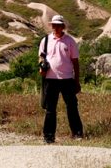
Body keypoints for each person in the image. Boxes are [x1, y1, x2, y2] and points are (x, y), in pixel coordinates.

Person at [39, 15, 83, 144]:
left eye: (58, 25)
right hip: (50, 79)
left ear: (63, 26)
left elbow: (75, 62)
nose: (56, 27)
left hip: (67, 78)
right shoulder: (45, 40)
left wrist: (77, 80)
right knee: (50, 108)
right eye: (54, 25)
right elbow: (41, 56)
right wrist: (42, 64)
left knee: (72, 106)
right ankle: (48, 136)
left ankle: (77, 133)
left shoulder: (70, 41)